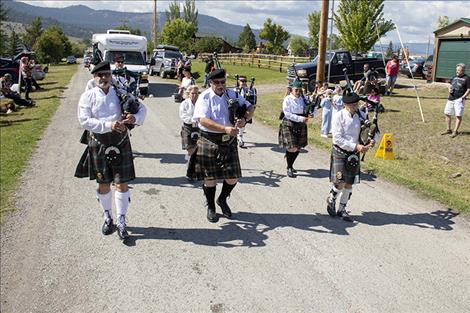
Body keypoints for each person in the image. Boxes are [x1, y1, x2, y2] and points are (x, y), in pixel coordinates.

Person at [75, 61, 147, 240]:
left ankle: (122, 220)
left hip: (120, 142)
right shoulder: (88, 96)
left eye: (107, 74)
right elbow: (84, 121)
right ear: (94, 77)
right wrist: (109, 125)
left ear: (111, 76)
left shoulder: (121, 94)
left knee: (121, 183)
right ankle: (108, 216)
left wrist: (134, 118)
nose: (104, 78)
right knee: (104, 183)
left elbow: (143, 110)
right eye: (100, 75)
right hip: (98, 143)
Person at [187, 69, 255, 223]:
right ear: (210, 83)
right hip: (209, 140)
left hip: (228, 142)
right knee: (210, 179)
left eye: (222, 82)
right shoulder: (204, 97)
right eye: (216, 82)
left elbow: (251, 107)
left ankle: (222, 199)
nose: (220, 85)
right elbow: (202, 120)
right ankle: (211, 206)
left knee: (232, 178)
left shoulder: (233, 94)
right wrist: (224, 128)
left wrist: (244, 119)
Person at [326, 92, 375, 222]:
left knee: (349, 183)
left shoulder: (360, 115)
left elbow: (371, 130)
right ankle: (332, 197)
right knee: (340, 182)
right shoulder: (338, 117)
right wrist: (356, 146)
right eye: (353, 105)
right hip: (341, 151)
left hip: (354, 153)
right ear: (346, 105)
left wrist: (371, 140)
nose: (355, 107)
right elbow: (337, 139)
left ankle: (342, 209)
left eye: (356, 104)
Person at [278, 79, 313, 178]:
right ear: (292, 90)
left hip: (300, 124)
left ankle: (290, 163)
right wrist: (301, 118)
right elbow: (287, 114)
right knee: (292, 147)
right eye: (296, 90)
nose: (298, 92)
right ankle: (289, 167)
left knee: (298, 147)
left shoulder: (303, 98)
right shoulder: (287, 99)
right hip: (289, 123)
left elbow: (308, 109)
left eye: (299, 90)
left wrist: (310, 113)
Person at [441, 63, 470, 138]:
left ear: (463, 70)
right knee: (447, 113)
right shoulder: (454, 77)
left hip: (459, 99)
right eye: (456, 70)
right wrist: (449, 89)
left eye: (458, 70)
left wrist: (463, 97)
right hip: (451, 98)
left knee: (458, 115)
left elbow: (469, 89)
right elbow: (450, 85)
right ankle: (448, 129)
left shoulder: (467, 78)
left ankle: (455, 131)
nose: (457, 71)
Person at [179, 85, 200, 176]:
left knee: (197, 148)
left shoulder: (201, 103)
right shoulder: (184, 103)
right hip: (188, 127)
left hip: (199, 128)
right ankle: (189, 168)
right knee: (190, 150)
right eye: (192, 93)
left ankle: (193, 168)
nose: (194, 95)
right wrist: (194, 120)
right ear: (188, 94)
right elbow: (183, 116)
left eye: (196, 93)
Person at [235, 75, 257, 148]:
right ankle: (236, 136)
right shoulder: (235, 90)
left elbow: (253, 101)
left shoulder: (250, 90)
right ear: (239, 81)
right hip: (236, 108)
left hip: (245, 108)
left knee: (243, 123)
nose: (244, 82)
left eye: (245, 81)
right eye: (242, 81)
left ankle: (240, 137)